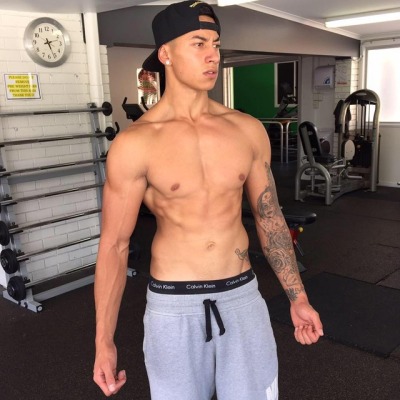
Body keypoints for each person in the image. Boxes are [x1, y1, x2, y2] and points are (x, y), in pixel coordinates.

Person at [93, 1, 323, 399]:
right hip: (173, 307)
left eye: (216, 44)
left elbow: (269, 218)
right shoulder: (135, 144)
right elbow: (114, 245)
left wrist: (298, 296)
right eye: (198, 43)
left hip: (242, 297)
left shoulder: (246, 130)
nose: (213, 55)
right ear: (165, 54)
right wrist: (103, 340)